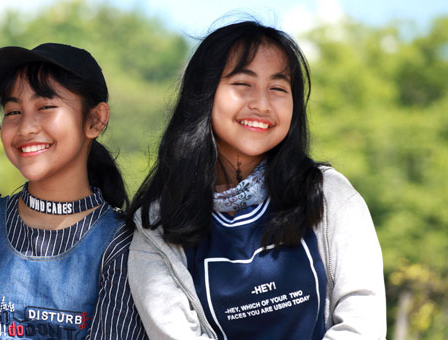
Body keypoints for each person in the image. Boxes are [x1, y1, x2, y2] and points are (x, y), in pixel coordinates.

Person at [126, 21, 386, 339]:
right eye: (242, 84)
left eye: (278, 88)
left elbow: (362, 325)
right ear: (204, 93)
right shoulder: (157, 229)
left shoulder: (330, 197)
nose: (262, 104)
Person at [0, 43, 147, 339]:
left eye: (46, 107)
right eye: (13, 111)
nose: (26, 128)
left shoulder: (124, 243)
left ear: (95, 120)